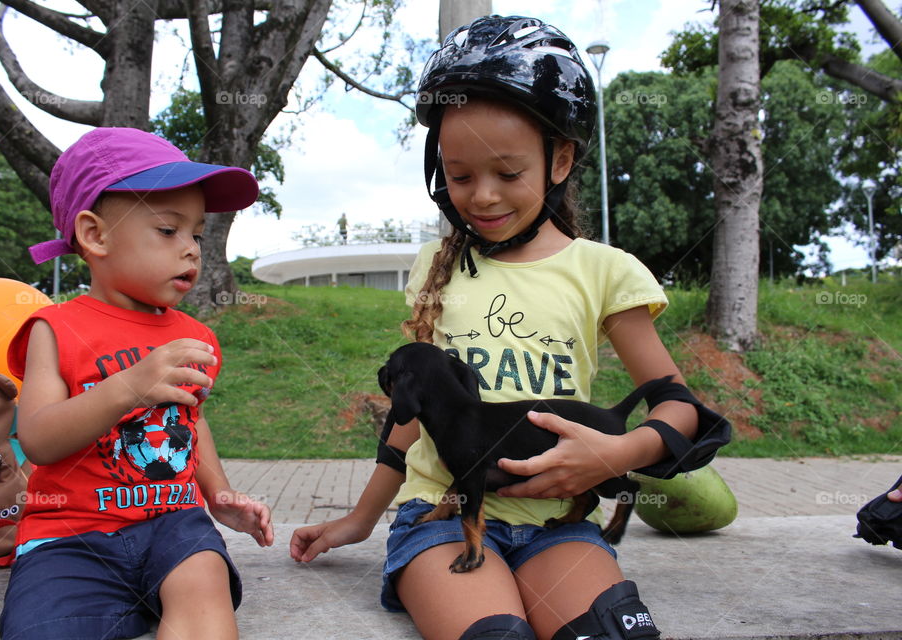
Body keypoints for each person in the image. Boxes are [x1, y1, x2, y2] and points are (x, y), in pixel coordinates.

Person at [290, 16, 730, 640]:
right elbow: (412, 417)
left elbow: (678, 407)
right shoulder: (434, 271)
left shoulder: (603, 270)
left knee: (612, 634)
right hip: (442, 519)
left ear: (561, 160)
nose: (484, 197)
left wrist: (616, 452)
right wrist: (359, 520)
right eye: (461, 175)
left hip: (558, 524)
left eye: (507, 173)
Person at [0, 127, 274, 640]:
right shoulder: (55, 328)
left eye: (196, 233)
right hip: (68, 534)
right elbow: (36, 437)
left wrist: (217, 493)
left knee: (203, 595)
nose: (192, 249)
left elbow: (190, 419)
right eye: (169, 231)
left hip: (175, 524)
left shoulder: (194, 336)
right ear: (95, 235)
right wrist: (129, 387)